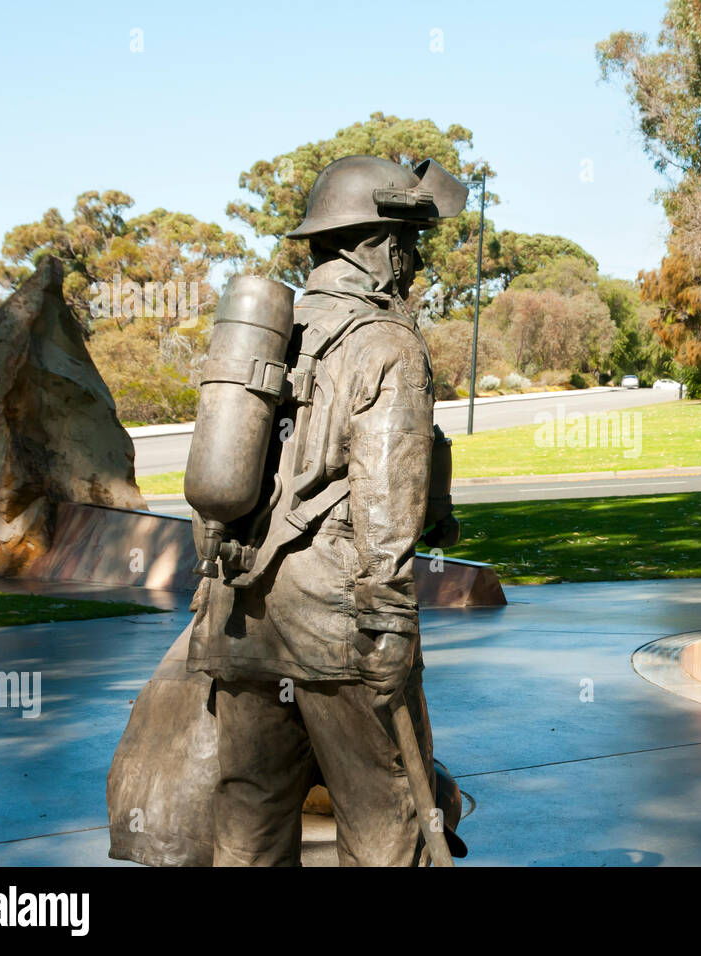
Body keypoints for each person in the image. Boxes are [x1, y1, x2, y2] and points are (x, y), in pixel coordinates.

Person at [184, 155, 467, 866]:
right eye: (410, 242)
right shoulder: (387, 345)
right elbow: (386, 509)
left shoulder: (276, 333)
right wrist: (391, 623)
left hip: (239, 611)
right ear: (378, 246)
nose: (415, 260)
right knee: (385, 819)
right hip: (339, 629)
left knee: (248, 819)